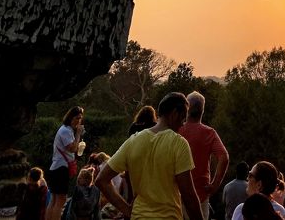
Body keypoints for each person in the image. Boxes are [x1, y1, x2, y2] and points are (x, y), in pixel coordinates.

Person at [96, 92, 203, 220]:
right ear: (174, 114)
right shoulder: (178, 144)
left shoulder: (133, 141)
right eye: (183, 118)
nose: (183, 124)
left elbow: (101, 180)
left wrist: (127, 210)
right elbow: (189, 196)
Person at [179, 92, 229, 220]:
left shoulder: (177, 130)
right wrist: (215, 185)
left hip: (176, 194)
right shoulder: (209, 133)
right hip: (200, 194)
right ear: (202, 111)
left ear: (187, 109)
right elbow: (224, 157)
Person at [46, 106, 85, 220]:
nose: (79, 121)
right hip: (61, 168)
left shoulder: (66, 130)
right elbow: (72, 149)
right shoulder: (65, 131)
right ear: (70, 117)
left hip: (56, 167)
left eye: (80, 119)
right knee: (60, 200)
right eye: (77, 118)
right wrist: (78, 134)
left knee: (54, 199)